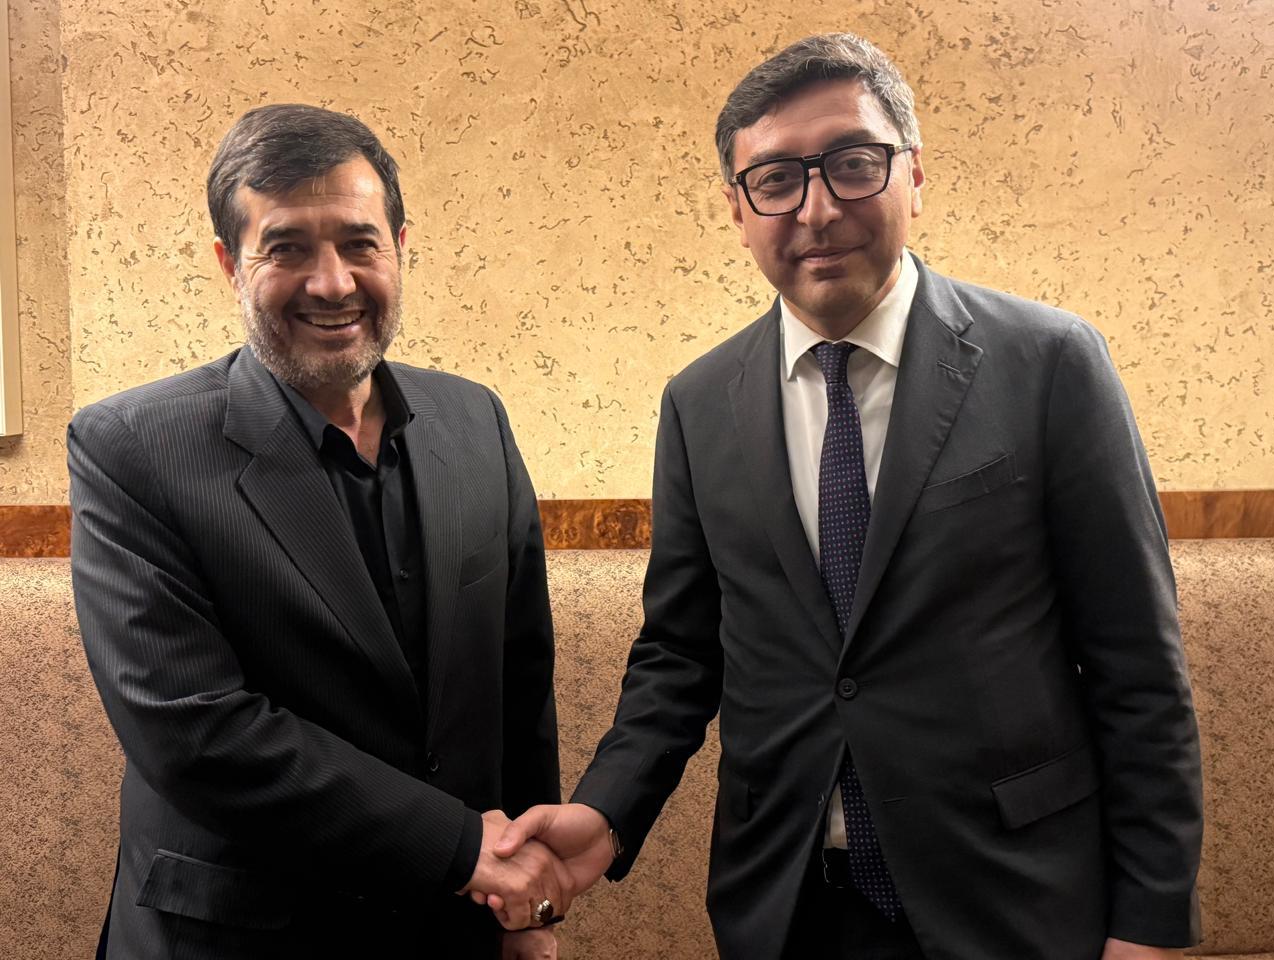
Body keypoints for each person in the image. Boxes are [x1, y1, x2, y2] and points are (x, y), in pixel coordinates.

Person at [493, 33, 1203, 960]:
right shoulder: (699, 403)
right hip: (790, 906)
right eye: (776, 180)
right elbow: (680, 654)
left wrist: (1149, 924)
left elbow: (1136, 664)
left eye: (854, 164)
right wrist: (606, 812)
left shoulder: (1051, 363)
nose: (818, 209)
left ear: (915, 174)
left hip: (1013, 897)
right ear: (738, 209)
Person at [69, 104, 566, 960]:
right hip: (239, 937)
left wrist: (528, 900)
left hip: (455, 929)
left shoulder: (476, 419)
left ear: (399, 247)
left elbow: (519, 685)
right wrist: (461, 849)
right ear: (230, 263)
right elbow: (195, 732)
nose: (332, 283)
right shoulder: (131, 447)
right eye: (288, 247)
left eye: (359, 243)